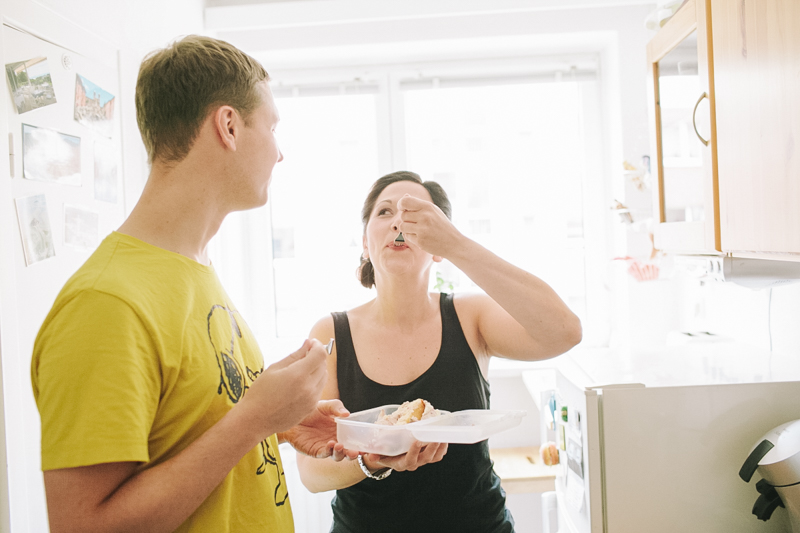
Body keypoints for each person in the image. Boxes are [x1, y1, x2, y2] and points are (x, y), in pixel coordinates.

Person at [30, 35, 355, 533]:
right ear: (228, 125)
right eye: (271, 127)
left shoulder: (193, 267)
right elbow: (82, 526)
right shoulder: (107, 302)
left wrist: (278, 423)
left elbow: (187, 428)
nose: (280, 153)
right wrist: (252, 420)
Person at [296, 170, 583, 532]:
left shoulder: (470, 316)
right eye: (384, 212)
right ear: (365, 243)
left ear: (438, 245)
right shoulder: (330, 333)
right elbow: (311, 473)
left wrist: (457, 245)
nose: (399, 221)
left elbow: (565, 332)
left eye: (417, 215)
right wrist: (373, 460)